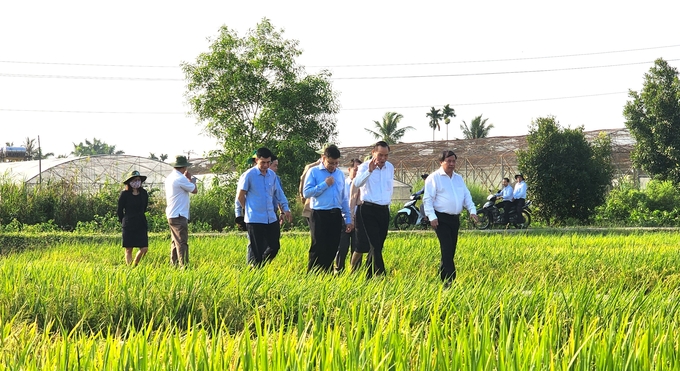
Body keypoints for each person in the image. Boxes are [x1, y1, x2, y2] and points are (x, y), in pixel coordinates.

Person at [423, 150, 479, 286]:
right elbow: (428, 199)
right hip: (440, 219)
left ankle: (443, 277)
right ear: (441, 162)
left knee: (451, 249)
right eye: (449, 161)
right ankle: (450, 280)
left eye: (454, 161)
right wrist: (432, 217)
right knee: (447, 247)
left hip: (454, 219)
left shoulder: (458, 178)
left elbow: (466, 195)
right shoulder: (434, 178)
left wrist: (472, 211)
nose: (452, 164)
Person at [238, 147, 292, 267]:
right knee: (257, 250)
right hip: (255, 219)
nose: (266, 165)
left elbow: (279, 193)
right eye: (263, 162)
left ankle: (260, 265)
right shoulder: (249, 175)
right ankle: (256, 272)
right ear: (256, 160)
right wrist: (247, 209)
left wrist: (285, 208)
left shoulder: (272, 175)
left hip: (271, 218)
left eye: (268, 162)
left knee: (274, 246)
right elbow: (240, 196)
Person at [303, 144, 353, 273]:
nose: (333, 166)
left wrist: (348, 219)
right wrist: (324, 184)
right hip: (319, 214)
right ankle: (313, 274)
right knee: (318, 246)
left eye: (336, 163)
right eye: (331, 163)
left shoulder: (340, 175)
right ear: (323, 158)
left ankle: (326, 273)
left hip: (335, 214)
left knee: (333, 246)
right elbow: (306, 193)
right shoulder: (313, 172)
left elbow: (344, 198)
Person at [353, 141, 394, 278]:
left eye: (386, 155)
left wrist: (388, 206)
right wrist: (369, 171)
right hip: (368, 209)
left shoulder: (390, 167)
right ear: (373, 153)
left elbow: (389, 189)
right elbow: (357, 183)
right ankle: (381, 274)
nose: (383, 158)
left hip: (383, 210)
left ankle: (368, 275)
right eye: (380, 155)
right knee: (374, 244)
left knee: (379, 245)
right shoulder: (364, 166)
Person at [165, 155, 198, 268]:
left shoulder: (169, 177)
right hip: (179, 214)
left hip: (171, 213)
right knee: (182, 241)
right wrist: (191, 180)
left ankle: (173, 264)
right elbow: (194, 190)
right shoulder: (180, 178)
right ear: (184, 167)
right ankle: (184, 265)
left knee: (175, 241)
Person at [334, 158, 362, 273]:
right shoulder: (342, 184)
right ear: (349, 169)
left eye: (360, 171)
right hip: (343, 219)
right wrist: (347, 219)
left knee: (357, 247)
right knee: (342, 247)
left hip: (359, 219)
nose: (357, 173)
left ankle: (355, 272)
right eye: (355, 170)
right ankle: (338, 270)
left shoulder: (363, 185)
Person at [117, 170, 149, 266]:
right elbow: (119, 210)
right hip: (128, 223)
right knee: (128, 248)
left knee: (144, 248)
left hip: (141, 223)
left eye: (138, 180)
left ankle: (135, 263)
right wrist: (123, 221)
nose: (137, 182)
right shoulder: (124, 194)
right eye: (134, 180)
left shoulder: (144, 193)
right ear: (129, 182)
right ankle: (130, 268)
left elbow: (144, 207)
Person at [298, 144, 327, 226]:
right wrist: (305, 201)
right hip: (312, 208)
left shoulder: (336, 169)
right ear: (322, 155)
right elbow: (302, 188)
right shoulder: (311, 168)